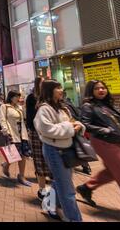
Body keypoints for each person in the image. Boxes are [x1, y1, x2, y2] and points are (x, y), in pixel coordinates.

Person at [34, 80, 84, 222]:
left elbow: (72, 121)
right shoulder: (44, 109)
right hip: (53, 150)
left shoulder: (62, 107)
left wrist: (77, 125)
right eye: (57, 88)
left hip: (66, 149)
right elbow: (46, 129)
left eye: (61, 87)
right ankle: (75, 219)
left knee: (61, 182)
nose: (61, 90)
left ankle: (49, 204)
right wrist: (70, 128)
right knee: (67, 190)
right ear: (49, 90)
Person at [77, 80, 120, 206]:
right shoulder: (88, 106)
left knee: (112, 171)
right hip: (104, 141)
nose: (101, 90)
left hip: (118, 140)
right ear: (91, 91)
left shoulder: (106, 104)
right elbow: (85, 124)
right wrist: (105, 130)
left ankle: (86, 188)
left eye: (103, 87)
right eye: (97, 88)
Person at [26, 77, 51, 200]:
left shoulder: (51, 98)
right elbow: (30, 117)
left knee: (50, 160)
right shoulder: (32, 98)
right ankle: (42, 189)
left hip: (51, 134)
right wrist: (32, 130)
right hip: (37, 133)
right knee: (40, 159)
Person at [0, 91, 32, 186]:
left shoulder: (19, 107)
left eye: (19, 97)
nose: (18, 99)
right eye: (16, 97)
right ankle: (5, 166)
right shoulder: (4, 107)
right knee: (13, 155)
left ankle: (21, 176)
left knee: (23, 156)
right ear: (11, 97)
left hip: (22, 134)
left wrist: (24, 106)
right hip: (12, 133)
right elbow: (2, 119)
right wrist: (6, 131)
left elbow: (25, 118)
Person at [62, 91, 91, 176]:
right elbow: (78, 114)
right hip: (76, 125)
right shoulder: (69, 103)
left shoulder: (64, 105)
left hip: (73, 127)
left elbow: (71, 117)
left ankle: (81, 164)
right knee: (79, 145)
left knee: (76, 146)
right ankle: (86, 166)